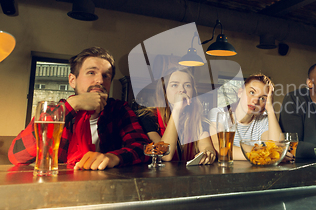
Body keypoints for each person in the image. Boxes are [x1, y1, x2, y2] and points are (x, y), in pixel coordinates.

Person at [8, 47, 151, 170]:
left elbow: (143, 148)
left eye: (106, 76)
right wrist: (73, 105)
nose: (100, 81)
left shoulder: (119, 110)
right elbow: (17, 155)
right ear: (72, 80)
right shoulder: (56, 111)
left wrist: (114, 157)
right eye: (91, 73)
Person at [137, 68, 216, 164]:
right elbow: (165, 155)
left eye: (187, 85)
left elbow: (206, 146)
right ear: (164, 91)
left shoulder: (198, 120)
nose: (182, 90)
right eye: (174, 85)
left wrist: (208, 153)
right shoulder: (148, 117)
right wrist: (177, 110)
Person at [208, 73, 282, 161]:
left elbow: (278, 149)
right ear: (240, 92)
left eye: (262, 98)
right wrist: (263, 153)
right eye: (252, 92)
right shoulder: (219, 113)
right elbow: (220, 148)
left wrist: (270, 108)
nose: (255, 101)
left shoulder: (263, 120)